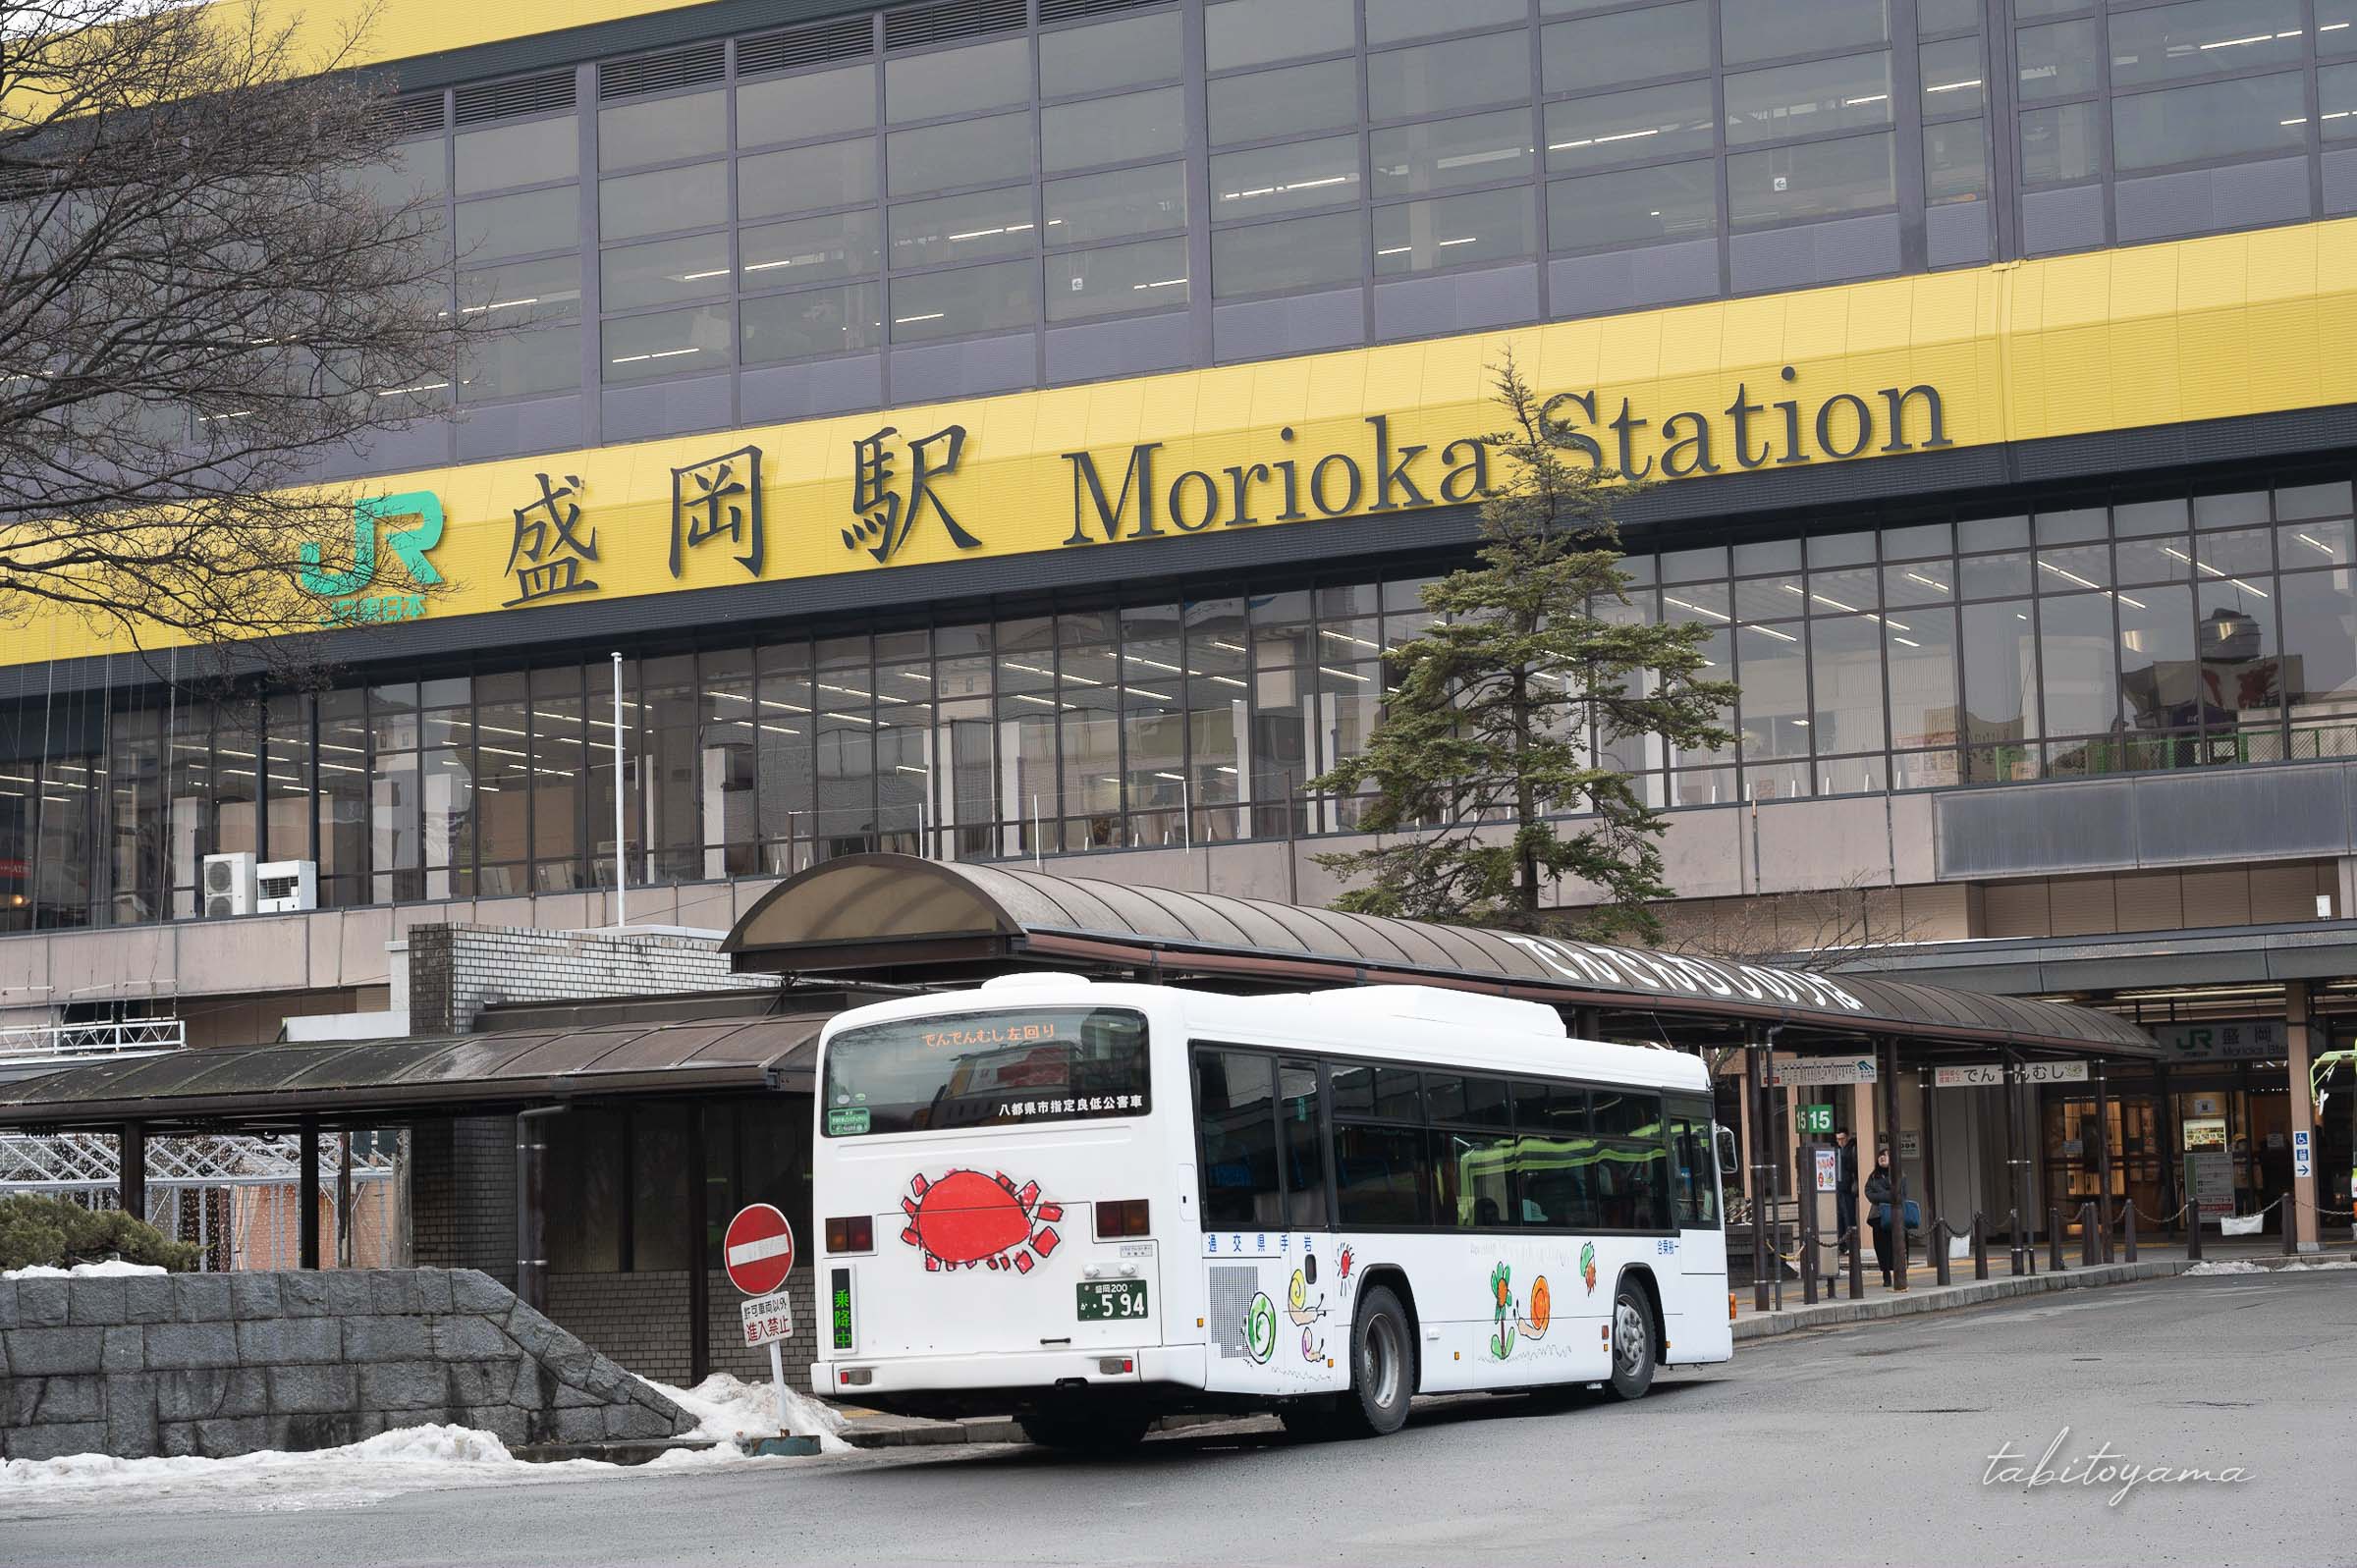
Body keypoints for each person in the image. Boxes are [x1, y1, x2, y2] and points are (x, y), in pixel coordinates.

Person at [1864, 1145, 1906, 1285]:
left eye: (1885, 1155)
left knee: (1895, 1245)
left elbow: (1900, 1195)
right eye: (1880, 1155)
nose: (1882, 1157)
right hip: (1877, 1216)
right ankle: (1886, 1274)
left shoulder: (1899, 1174)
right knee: (1880, 1246)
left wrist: (1880, 1195)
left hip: (1896, 1215)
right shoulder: (1873, 1176)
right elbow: (1869, 1194)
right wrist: (1887, 1195)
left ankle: (1898, 1274)